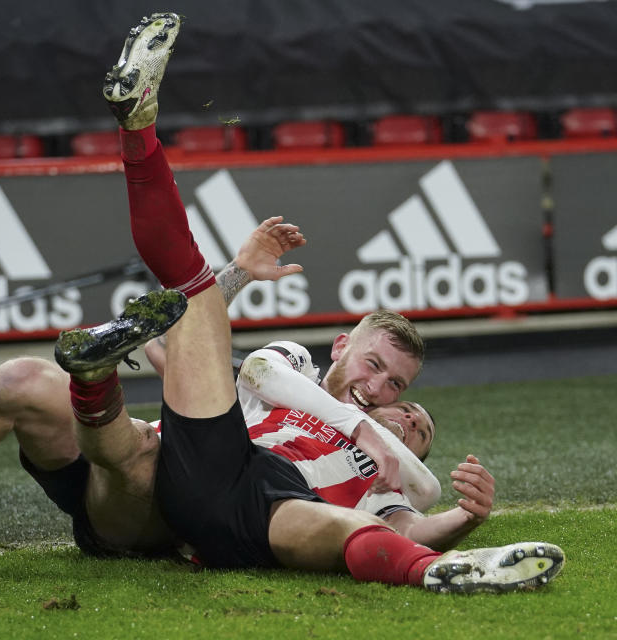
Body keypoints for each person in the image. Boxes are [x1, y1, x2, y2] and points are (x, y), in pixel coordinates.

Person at [52, 12, 564, 592]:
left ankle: (444, 574)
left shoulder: (385, 477)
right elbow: (217, 360)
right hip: (213, 460)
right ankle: (138, 133)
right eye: (376, 367)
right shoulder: (294, 368)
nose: (392, 402)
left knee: (345, 529)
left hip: (264, 502)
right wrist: (240, 277)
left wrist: (466, 518)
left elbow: (413, 516)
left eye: (407, 407)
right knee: (183, 296)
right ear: (342, 346)